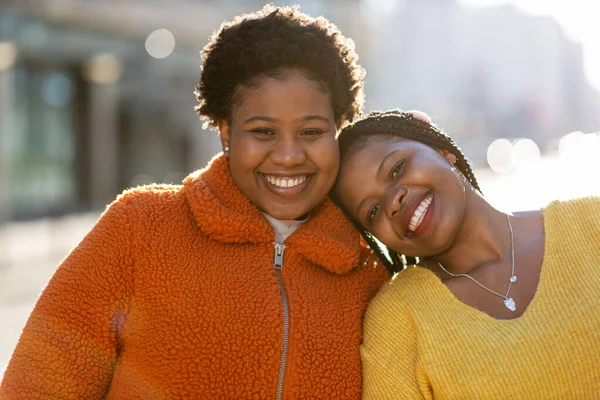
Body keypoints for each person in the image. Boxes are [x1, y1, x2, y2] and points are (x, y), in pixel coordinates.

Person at [0, 6, 392, 399]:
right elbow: (35, 386)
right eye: (263, 131)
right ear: (225, 132)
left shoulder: (367, 272)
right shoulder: (139, 230)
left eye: (311, 131)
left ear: (338, 129)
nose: (288, 155)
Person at [332, 110, 600, 399]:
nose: (392, 201)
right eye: (372, 212)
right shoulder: (398, 320)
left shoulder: (590, 223)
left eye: (397, 169)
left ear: (443, 151)